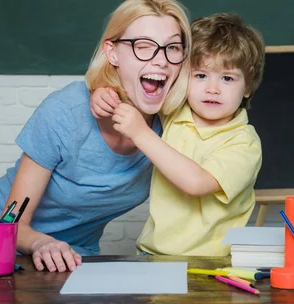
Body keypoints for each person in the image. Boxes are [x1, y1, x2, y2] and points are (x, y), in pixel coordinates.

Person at [0, 0, 192, 272]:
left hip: (73, 258)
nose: (161, 60)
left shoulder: (176, 126)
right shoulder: (66, 112)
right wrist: (42, 244)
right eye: (143, 46)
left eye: (173, 47)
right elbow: (14, 225)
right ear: (112, 53)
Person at [90, 13, 265, 256]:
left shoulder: (244, 143)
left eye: (227, 78)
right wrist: (103, 95)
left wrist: (141, 133)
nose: (212, 89)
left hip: (209, 264)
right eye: (201, 76)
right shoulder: (173, 110)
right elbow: (130, 92)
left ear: (247, 86)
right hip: (151, 254)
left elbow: (196, 183)